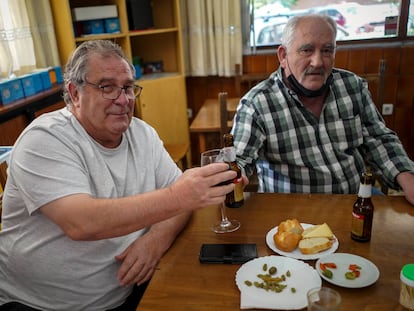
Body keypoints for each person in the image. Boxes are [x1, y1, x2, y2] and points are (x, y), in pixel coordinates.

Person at [0, 40, 237, 311]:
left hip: (129, 293)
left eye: (127, 87)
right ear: (74, 93)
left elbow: (180, 205)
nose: (123, 99)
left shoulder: (142, 133)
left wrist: (156, 239)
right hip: (40, 305)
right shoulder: (44, 138)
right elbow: (82, 223)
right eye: (107, 87)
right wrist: (180, 195)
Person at [231, 14, 414, 205]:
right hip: (293, 212)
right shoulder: (257, 104)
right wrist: (234, 175)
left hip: (355, 200)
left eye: (327, 50)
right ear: (283, 56)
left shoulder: (352, 86)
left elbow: (378, 139)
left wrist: (407, 176)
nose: (318, 62)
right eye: (307, 50)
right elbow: (239, 158)